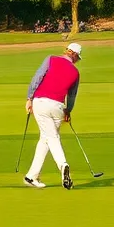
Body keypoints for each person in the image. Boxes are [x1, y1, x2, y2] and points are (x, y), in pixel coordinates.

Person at [23, 42, 83, 190]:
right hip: (58, 107)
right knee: (46, 138)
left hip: (41, 103)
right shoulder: (75, 73)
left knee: (51, 138)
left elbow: (37, 78)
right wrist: (68, 111)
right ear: (75, 56)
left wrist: (29, 98)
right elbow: (72, 96)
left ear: (67, 51)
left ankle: (63, 165)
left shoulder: (51, 59)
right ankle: (32, 176)